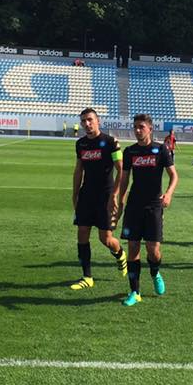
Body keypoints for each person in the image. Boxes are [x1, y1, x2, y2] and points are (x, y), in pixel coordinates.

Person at [115, 114, 178, 306]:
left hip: (154, 205)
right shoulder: (130, 152)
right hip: (134, 205)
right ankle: (135, 291)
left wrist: (168, 194)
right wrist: (120, 203)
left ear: (150, 129)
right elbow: (124, 179)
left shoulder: (161, 149)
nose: (137, 130)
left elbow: (174, 175)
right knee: (133, 247)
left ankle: (155, 272)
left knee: (153, 250)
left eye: (141, 126)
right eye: (135, 127)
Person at [70, 107, 127, 290]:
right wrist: (75, 193)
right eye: (83, 121)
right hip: (86, 194)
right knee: (82, 234)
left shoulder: (110, 142)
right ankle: (87, 277)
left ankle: (120, 255)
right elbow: (79, 169)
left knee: (106, 239)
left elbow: (121, 169)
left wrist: (115, 195)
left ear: (98, 121)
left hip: (105, 196)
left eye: (90, 120)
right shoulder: (81, 144)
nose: (87, 124)